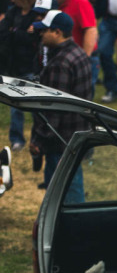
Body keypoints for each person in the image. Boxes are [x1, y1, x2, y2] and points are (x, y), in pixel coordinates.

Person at [29, 10, 89, 203]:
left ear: (57, 32)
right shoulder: (78, 53)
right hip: (78, 136)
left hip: (59, 141)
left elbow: (53, 110)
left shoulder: (59, 64)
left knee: (62, 195)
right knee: (71, 185)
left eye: (45, 30)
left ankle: (70, 230)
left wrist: (38, 141)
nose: (41, 34)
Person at [1, 0, 39, 149]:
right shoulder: (13, 12)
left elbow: (34, 38)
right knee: (15, 107)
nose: (12, 0)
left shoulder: (36, 14)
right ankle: (17, 139)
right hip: (14, 66)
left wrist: (14, 33)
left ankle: (36, 138)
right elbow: (3, 31)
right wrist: (20, 33)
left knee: (36, 107)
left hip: (30, 66)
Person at [37, 0, 97, 65]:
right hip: (63, 57)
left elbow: (91, 30)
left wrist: (84, 59)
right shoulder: (55, 3)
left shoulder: (80, 2)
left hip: (79, 58)